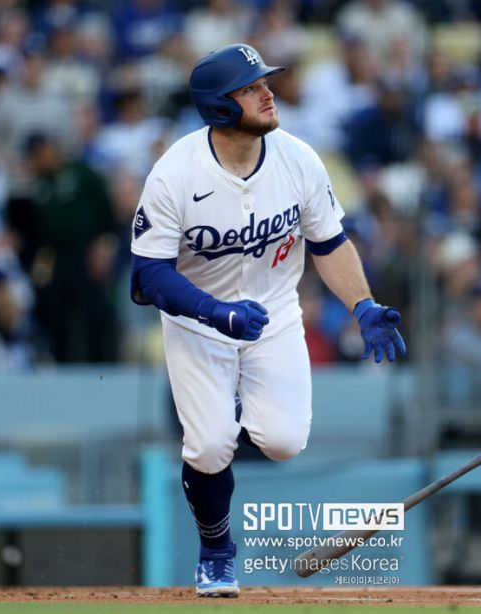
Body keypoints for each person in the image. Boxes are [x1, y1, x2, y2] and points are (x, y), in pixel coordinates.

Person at [129, 43, 406, 598]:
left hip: (274, 312)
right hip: (197, 317)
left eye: (265, 82)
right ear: (220, 105)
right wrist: (215, 312)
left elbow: (330, 242)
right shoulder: (173, 173)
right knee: (209, 446)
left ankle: (230, 406)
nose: (268, 92)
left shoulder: (297, 158)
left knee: (283, 441)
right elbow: (147, 276)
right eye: (251, 87)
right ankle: (216, 552)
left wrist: (363, 305)